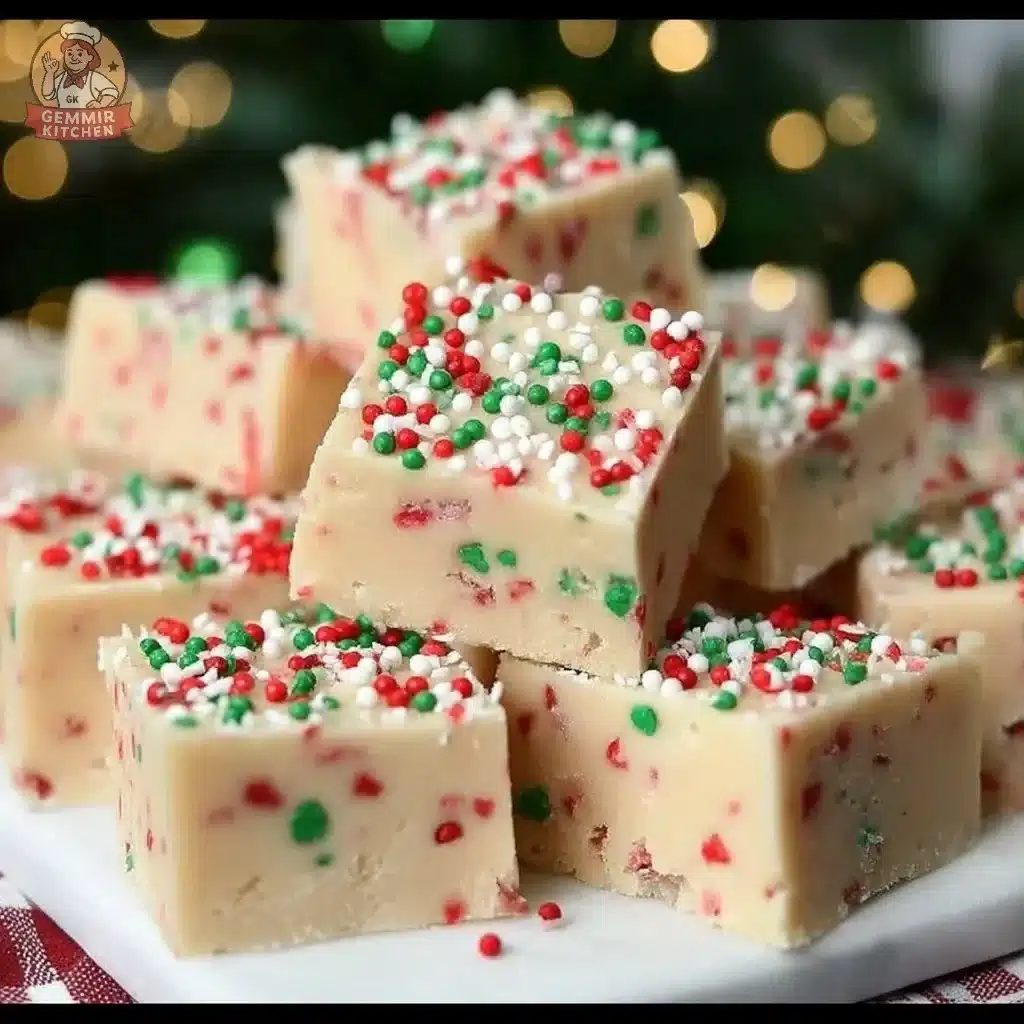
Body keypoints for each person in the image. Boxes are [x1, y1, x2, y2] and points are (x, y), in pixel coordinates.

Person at [39, 21, 119, 110]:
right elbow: (48, 94)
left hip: (88, 121)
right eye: (69, 54)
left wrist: (100, 104)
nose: (74, 58)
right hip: (65, 120)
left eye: (80, 54)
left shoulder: (93, 77)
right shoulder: (62, 77)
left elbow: (112, 92)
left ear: (90, 57)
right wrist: (50, 73)